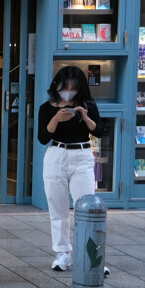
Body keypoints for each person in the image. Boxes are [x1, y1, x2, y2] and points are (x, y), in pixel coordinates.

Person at [37, 66, 106, 272]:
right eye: (64, 87)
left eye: (72, 88)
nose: (68, 92)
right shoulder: (47, 108)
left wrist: (85, 117)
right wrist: (55, 119)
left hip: (82, 154)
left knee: (86, 206)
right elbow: (42, 138)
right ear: (56, 87)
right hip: (56, 154)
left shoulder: (87, 105)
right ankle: (62, 253)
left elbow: (100, 131)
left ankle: (91, 255)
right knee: (57, 207)